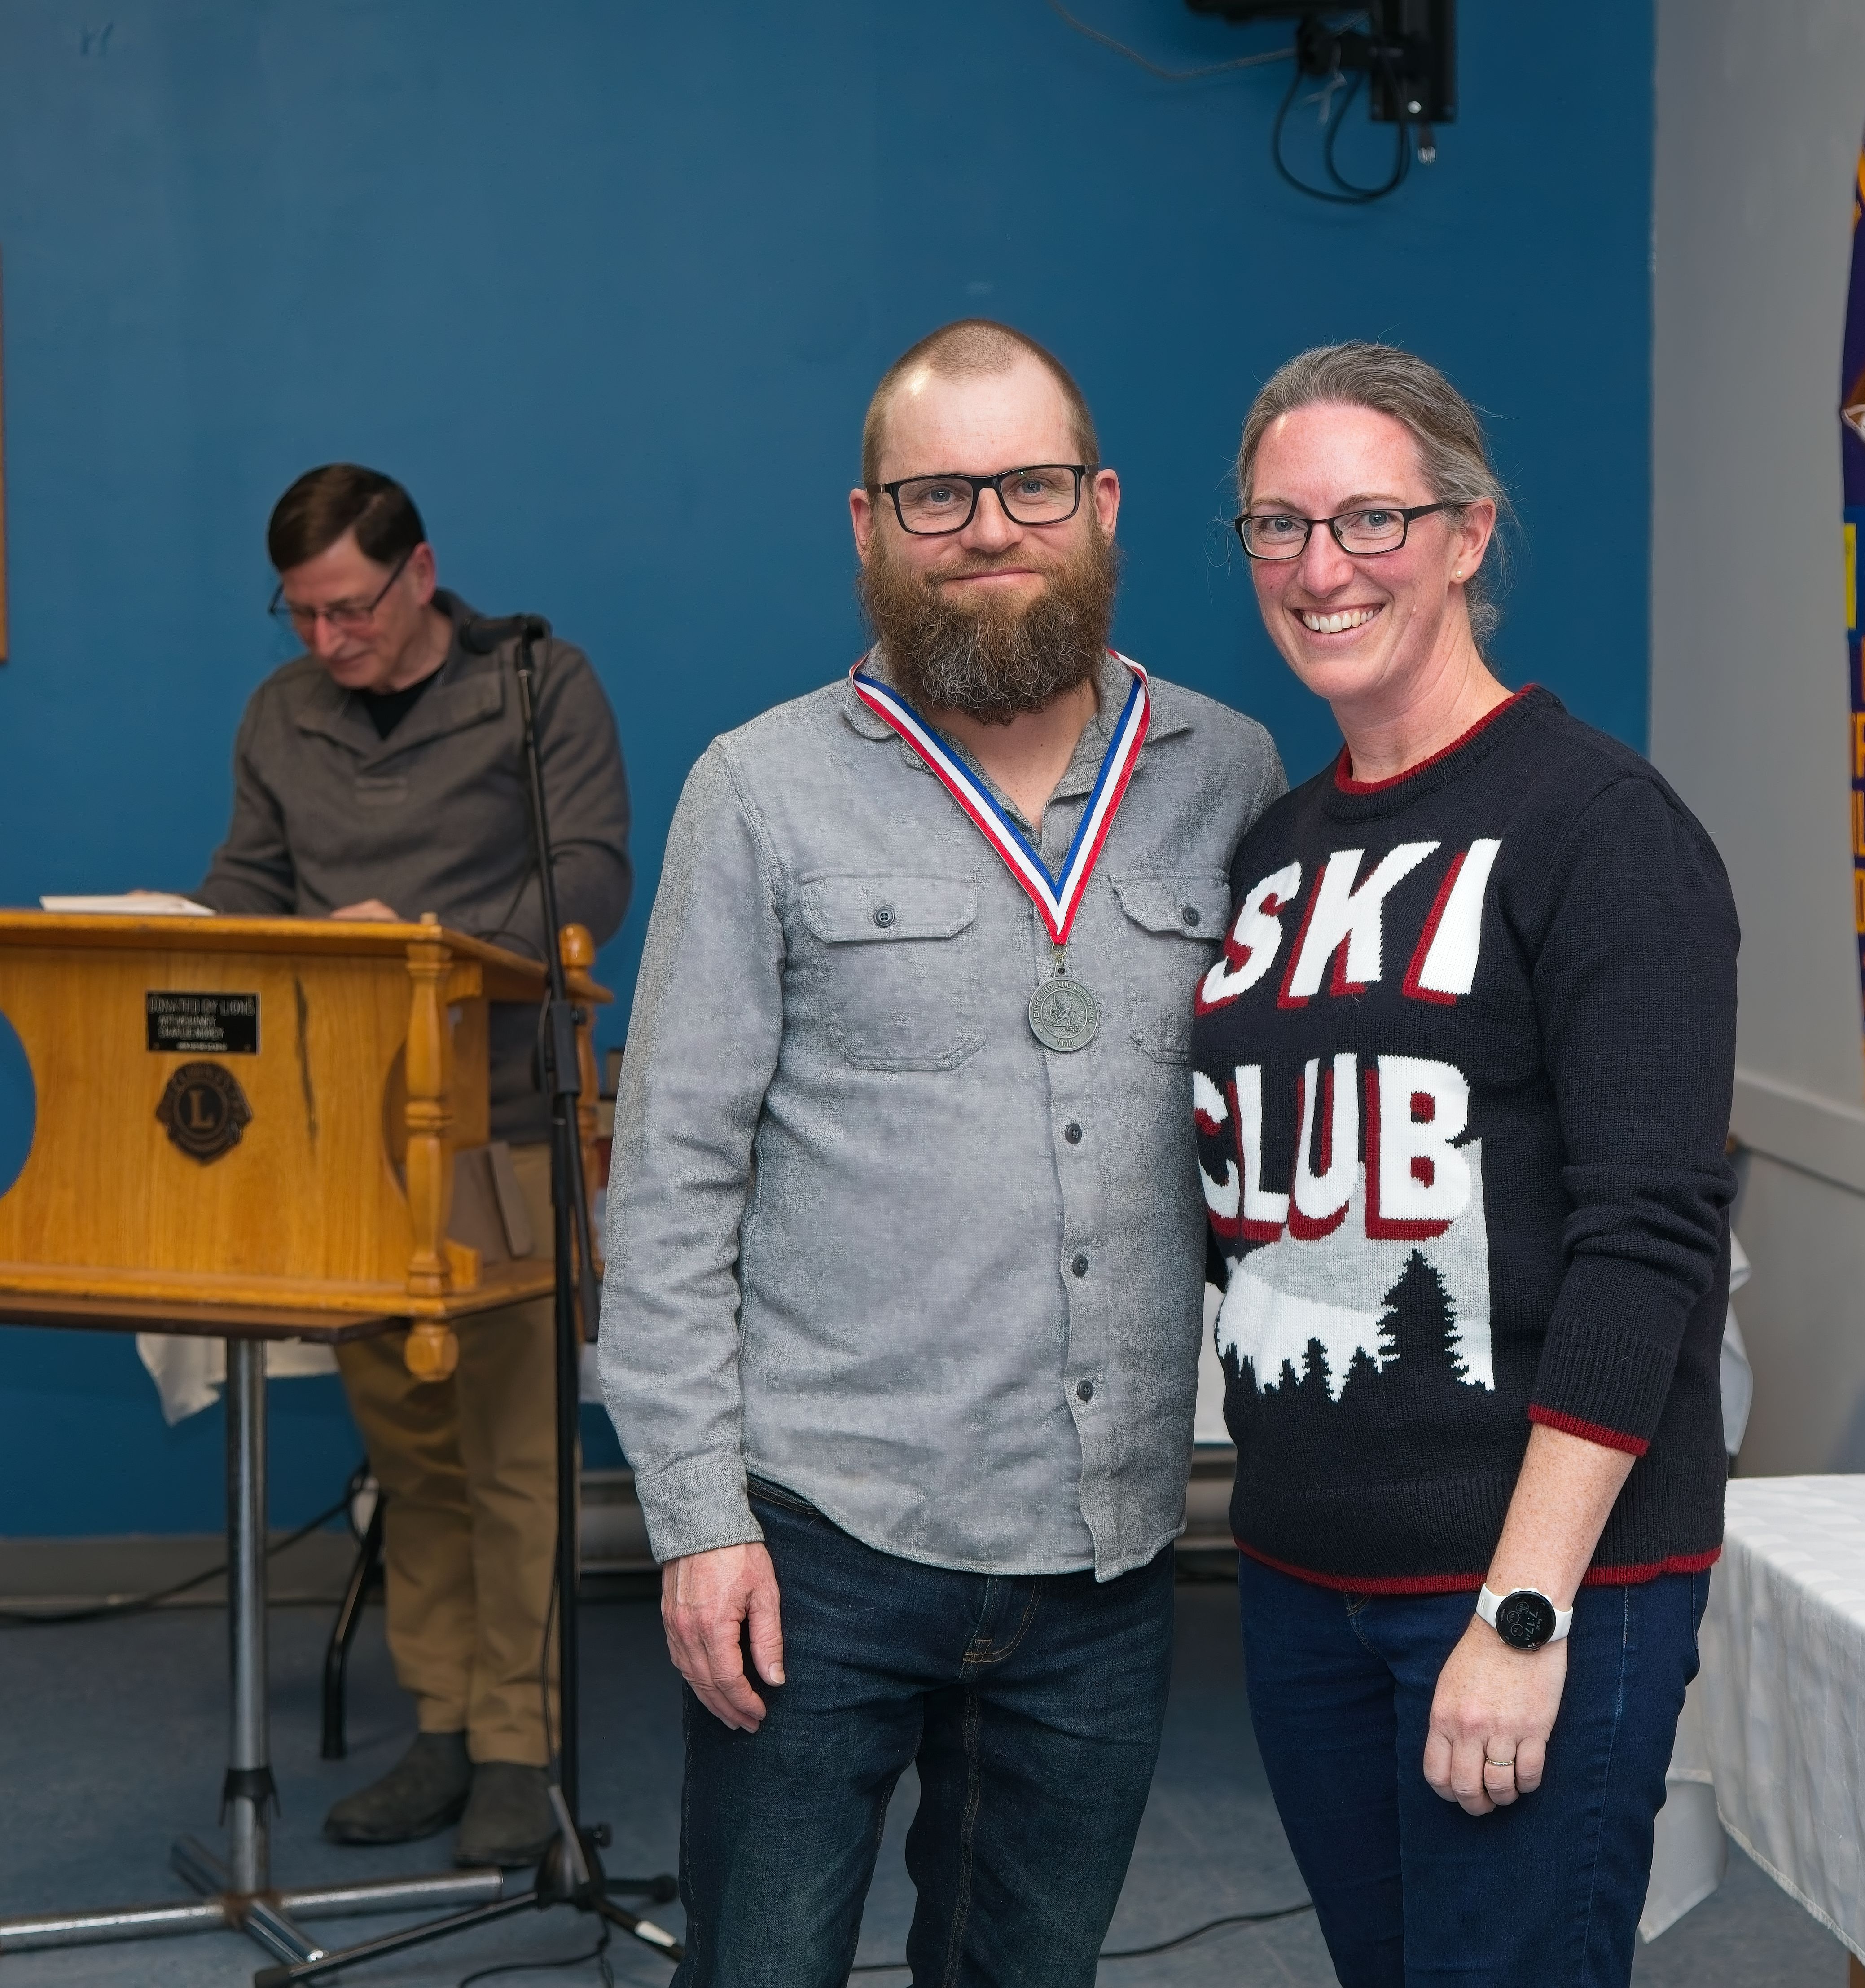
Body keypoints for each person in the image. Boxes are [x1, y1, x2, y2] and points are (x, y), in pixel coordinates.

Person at [596, 320, 1286, 1988]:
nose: (989, 527)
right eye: (937, 495)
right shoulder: (757, 792)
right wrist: (694, 1521)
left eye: (1031, 485)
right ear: (869, 525)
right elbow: (670, 1184)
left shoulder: (1232, 776)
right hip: (820, 1544)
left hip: (1106, 1552)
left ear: (1101, 504)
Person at [1187, 343, 1739, 1988]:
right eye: (1280, 527)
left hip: (1521, 1580)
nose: (1323, 568)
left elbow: (1650, 1240)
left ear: (1467, 534)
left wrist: (1523, 1609)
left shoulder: (1601, 826)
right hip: (1304, 1576)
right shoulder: (1273, 851)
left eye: (1372, 518)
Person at [192, 463, 632, 1866]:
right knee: (413, 1456)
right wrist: (196, 933)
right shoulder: (282, 716)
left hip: (499, 1115)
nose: (328, 639)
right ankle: (443, 1722)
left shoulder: (537, 685)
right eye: (302, 614)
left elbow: (591, 873)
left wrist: (426, 946)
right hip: (349, 1138)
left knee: (512, 1457)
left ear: (421, 573)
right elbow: (255, 879)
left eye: (351, 609)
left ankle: (518, 1744)